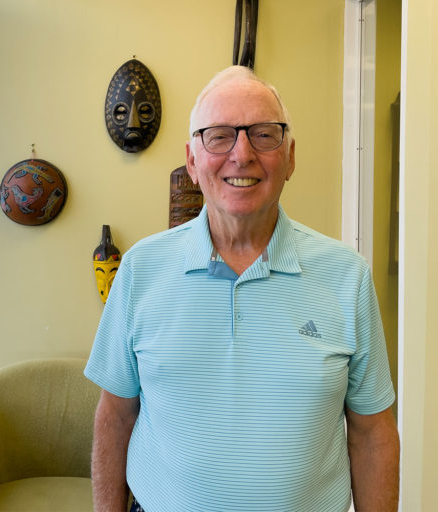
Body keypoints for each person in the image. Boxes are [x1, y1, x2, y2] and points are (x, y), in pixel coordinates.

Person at [84, 66, 399, 512]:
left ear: (290, 157)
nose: (242, 153)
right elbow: (115, 416)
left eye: (264, 135)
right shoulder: (140, 269)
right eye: (219, 136)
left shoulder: (346, 275)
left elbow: (372, 430)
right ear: (192, 161)